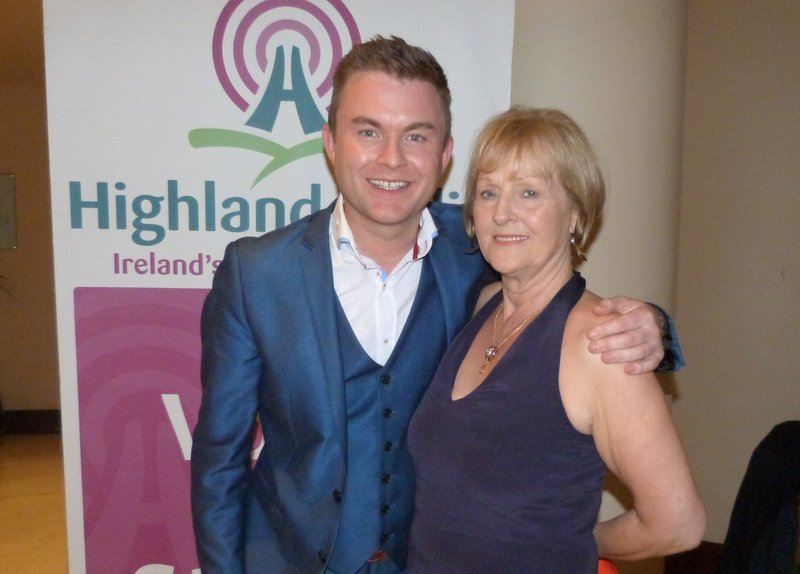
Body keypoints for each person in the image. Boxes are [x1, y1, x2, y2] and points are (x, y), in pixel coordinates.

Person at [191, 37, 681, 574]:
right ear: (330, 142)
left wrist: (654, 326)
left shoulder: (480, 249)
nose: (392, 158)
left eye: (416, 136)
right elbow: (219, 462)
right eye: (368, 131)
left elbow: (560, 304)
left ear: (445, 154)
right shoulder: (257, 273)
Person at [406, 107, 705, 573]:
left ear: (575, 215)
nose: (502, 213)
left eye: (529, 192)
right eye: (488, 192)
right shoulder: (481, 303)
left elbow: (678, 523)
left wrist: (580, 541)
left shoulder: (599, 347)